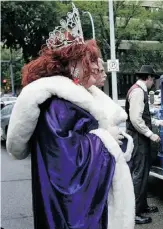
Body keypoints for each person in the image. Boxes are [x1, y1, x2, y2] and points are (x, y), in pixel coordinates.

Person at [6, 4, 135, 229]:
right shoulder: (58, 105)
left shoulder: (69, 100)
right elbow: (66, 165)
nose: (96, 68)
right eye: (91, 61)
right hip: (68, 214)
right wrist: (106, 139)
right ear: (72, 65)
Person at [125, 65, 163, 224]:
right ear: (149, 77)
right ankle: (135, 212)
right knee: (139, 174)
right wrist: (151, 134)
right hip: (138, 138)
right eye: (153, 79)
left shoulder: (138, 90)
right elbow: (136, 119)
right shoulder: (138, 91)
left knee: (143, 173)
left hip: (139, 137)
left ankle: (142, 206)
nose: (153, 83)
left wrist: (157, 122)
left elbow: (142, 116)